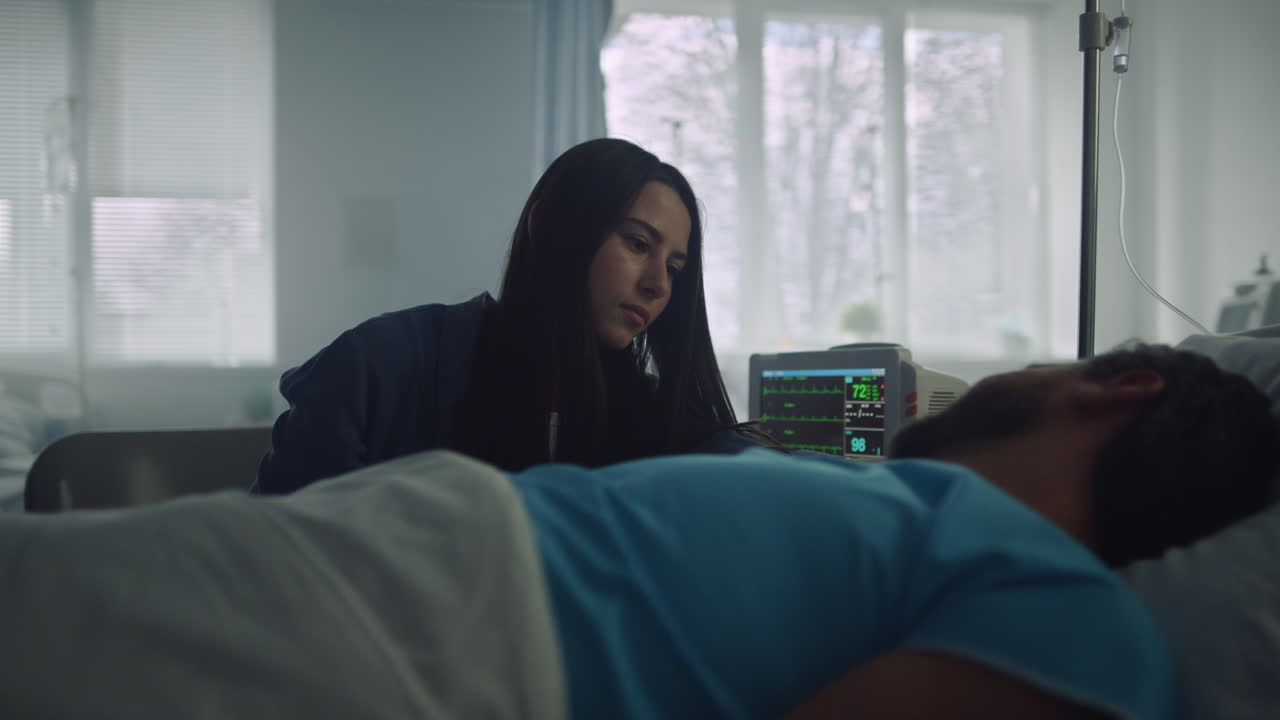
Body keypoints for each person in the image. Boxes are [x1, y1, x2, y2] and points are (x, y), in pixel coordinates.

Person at [3, 345, 1274, 719]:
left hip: (432, 636)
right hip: (400, 565)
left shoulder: (1080, 621)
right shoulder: (929, 519)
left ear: (1116, 390)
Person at [254, 138, 759, 494]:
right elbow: (278, 558)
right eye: (637, 243)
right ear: (550, 224)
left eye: (675, 267)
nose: (658, 284)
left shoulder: (654, 419)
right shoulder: (379, 366)